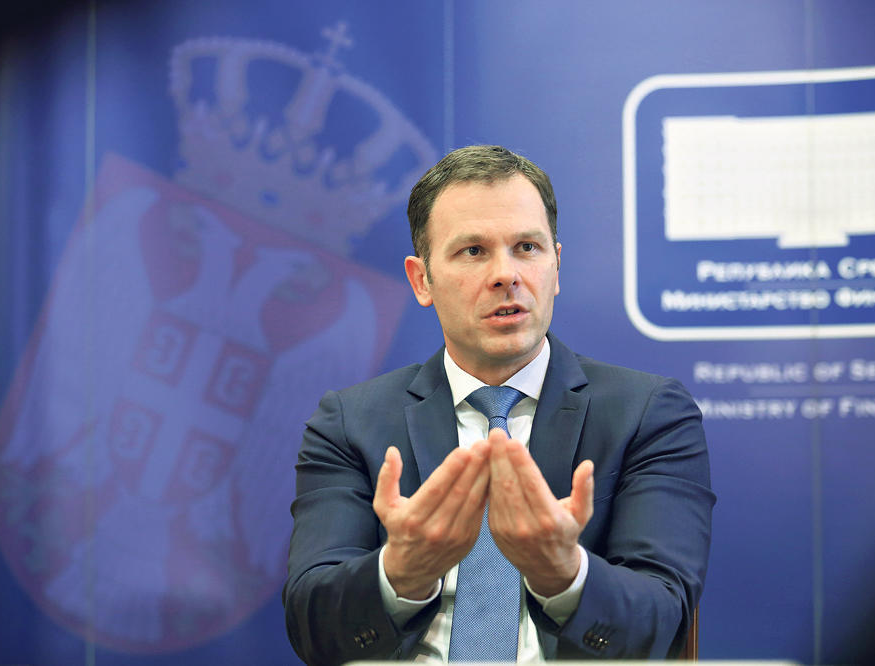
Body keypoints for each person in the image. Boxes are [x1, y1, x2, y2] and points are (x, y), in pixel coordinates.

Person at [283, 145, 715, 663]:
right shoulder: (349, 423)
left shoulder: (649, 414)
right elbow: (312, 625)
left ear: (556, 266)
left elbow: (663, 618)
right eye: (473, 251)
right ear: (422, 280)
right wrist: (401, 572)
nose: (505, 274)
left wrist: (565, 574)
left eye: (527, 247)